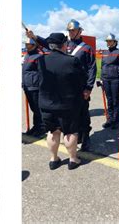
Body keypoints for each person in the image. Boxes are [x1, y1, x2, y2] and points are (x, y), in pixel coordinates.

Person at [26, 19, 96, 152]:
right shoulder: (64, 45)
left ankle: (86, 137)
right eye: (69, 30)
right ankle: (77, 137)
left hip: (80, 87)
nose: (71, 33)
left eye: (73, 30)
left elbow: (92, 69)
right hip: (66, 88)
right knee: (71, 116)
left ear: (80, 31)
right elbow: (49, 43)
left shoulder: (86, 48)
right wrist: (34, 37)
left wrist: (88, 88)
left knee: (83, 113)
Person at [37, 33, 87, 170]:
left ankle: (53, 159)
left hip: (47, 104)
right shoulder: (72, 61)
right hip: (67, 105)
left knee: (53, 132)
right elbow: (82, 80)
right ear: (64, 45)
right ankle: (73, 159)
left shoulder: (41, 60)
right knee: (70, 132)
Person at [22, 37, 46, 137]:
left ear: (34, 45)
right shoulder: (27, 55)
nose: (26, 47)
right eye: (26, 45)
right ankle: (35, 127)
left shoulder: (39, 56)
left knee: (37, 109)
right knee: (33, 109)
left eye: (29, 45)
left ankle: (41, 128)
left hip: (35, 87)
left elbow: (42, 72)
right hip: (27, 86)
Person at [99, 33, 119, 130]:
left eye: (110, 41)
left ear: (115, 42)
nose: (108, 43)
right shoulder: (104, 52)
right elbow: (102, 65)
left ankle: (116, 120)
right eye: (107, 41)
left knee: (115, 100)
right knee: (109, 100)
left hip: (115, 79)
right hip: (105, 79)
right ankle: (110, 119)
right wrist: (100, 78)